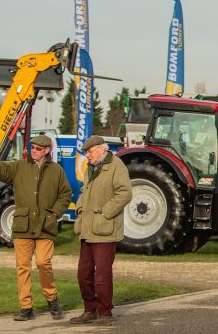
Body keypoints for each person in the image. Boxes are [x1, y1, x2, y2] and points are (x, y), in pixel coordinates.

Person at [0, 135, 72, 322]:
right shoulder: (20, 166)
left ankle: (52, 300)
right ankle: (26, 308)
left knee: (42, 263)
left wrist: (55, 213)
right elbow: (2, 171)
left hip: (45, 226)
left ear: (47, 150)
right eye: (32, 147)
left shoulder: (57, 171)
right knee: (22, 267)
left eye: (38, 149)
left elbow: (65, 194)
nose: (34, 151)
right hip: (23, 226)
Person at [70, 136, 133, 326]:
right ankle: (90, 310)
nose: (87, 156)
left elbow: (125, 192)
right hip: (87, 229)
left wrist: (105, 213)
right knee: (83, 274)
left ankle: (105, 313)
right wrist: (80, 208)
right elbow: (83, 192)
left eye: (89, 152)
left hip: (105, 230)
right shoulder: (91, 168)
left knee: (102, 276)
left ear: (100, 149)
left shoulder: (116, 165)